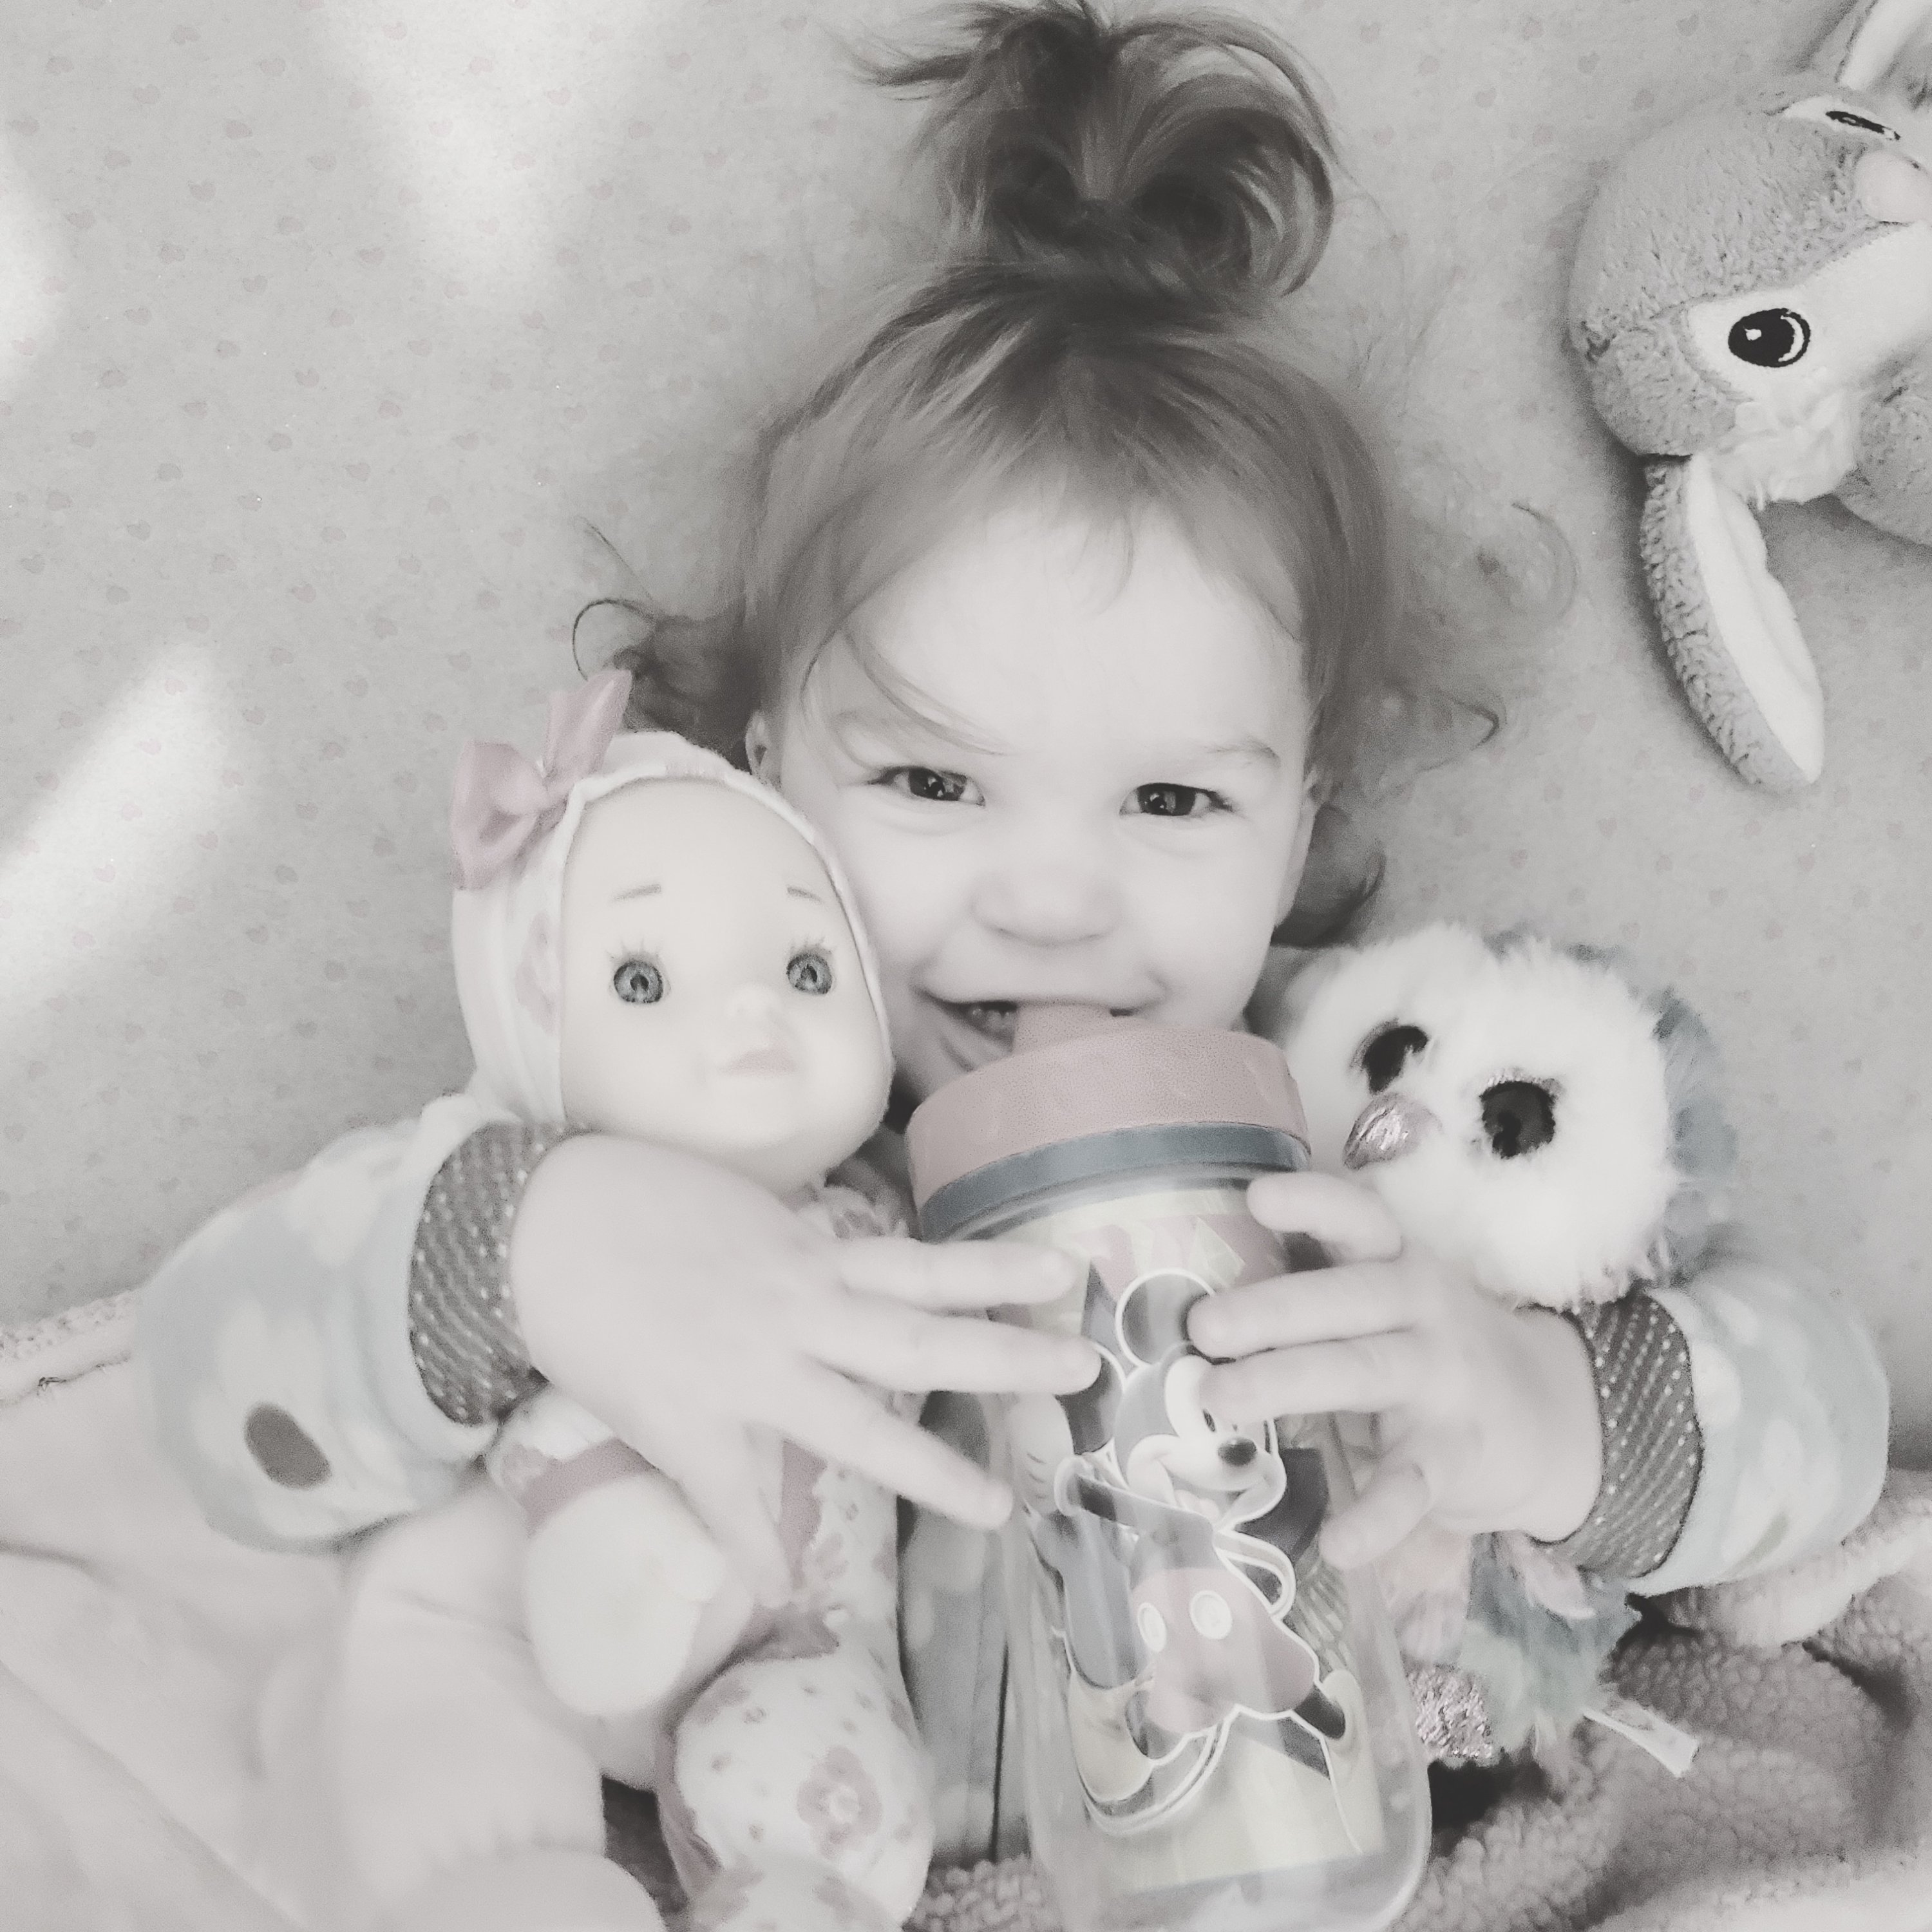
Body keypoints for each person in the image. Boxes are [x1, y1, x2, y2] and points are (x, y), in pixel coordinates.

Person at [137, 0, 1890, 1922]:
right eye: (930, 782)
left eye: (1168, 806)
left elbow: (1824, 1412)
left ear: (1301, 817)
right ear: (763, 780)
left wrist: (1544, 1411)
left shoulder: (1358, 1135)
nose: (1051, 903)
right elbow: (210, 1401)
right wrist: (544, 1248)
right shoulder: (711, 1134)